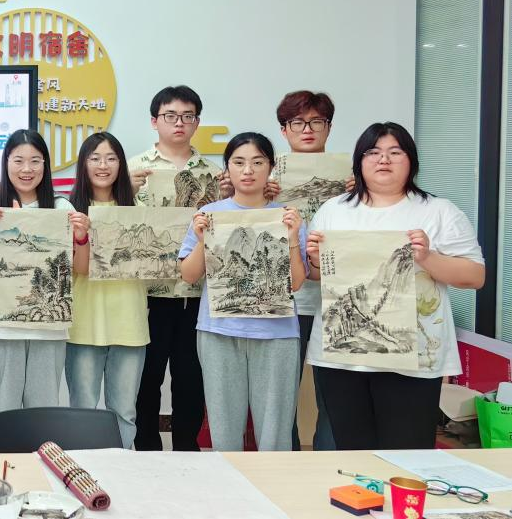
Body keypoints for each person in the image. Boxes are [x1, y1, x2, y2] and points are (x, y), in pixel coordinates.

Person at [306, 122, 484, 450]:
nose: (383, 159)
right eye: (373, 152)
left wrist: (427, 257)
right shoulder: (334, 210)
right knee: (352, 451)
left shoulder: (439, 211)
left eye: (395, 152)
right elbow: (318, 276)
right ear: (359, 162)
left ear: (411, 160)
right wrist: (317, 261)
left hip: (414, 360)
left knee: (408, 452)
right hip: (342, 357)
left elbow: (475, 276)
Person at [177, 132, 307, 452]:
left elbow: (295, 283)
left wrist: (292, 237)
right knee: (224, 430)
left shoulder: (287, 216)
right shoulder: (210, 214)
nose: (248, 170)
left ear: (271, 167)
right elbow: (189, 275)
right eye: (239, 162)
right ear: (228, 169)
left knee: (275, 433)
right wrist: (203, 239)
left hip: (277, 334)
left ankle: (273, 483)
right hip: (219, 331)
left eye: (257, 162)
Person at [0, 130, 87, 412]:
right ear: (6, 162)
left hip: (49, 328)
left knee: (44, 412)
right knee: (3, 410)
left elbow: (80, 268)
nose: (26, 169)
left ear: (45, 164)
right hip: (0, 326)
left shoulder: (62, 207)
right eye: (18, 160)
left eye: (35, 161)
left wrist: (82, 238)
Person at [129, 85, 218, 451]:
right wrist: (123, 191)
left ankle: (187, 450)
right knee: (146, 378)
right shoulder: (133, 169)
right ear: (155, 121)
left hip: (197, 294)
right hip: (148, 294)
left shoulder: (216, 174)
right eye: (170, 116)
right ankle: (146, 449)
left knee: (191, 379)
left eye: (187, 116)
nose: (179, 123)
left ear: (197, 122)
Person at [65, 132, 149, 447]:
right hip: (83, 324)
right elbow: (76, 268)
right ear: (83, 165)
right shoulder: (68, 210)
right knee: (82, 410)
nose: (103, 165)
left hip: (129, 324)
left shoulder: (140, 210)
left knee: (124, 411)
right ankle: (82, 470)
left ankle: (121, 469)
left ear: (121, 164)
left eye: (111, 158)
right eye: (95, 158)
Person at [274, 90, 343, 451]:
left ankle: (329, 459)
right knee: (282, 391)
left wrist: (359, 191)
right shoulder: (264, 174)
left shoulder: (355, 175)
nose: (307, 129)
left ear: (328, 127)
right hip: (288, 299)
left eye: (317, 121)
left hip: (337, 297)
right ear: (284, 130)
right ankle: (283, 459)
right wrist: (259, 195)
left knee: (333, 392)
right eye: (298, 122)